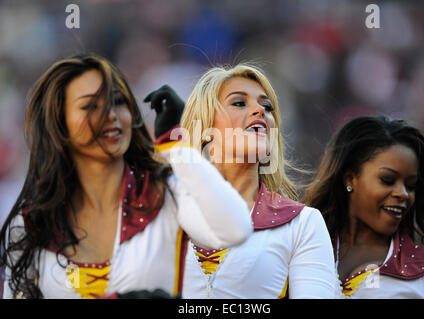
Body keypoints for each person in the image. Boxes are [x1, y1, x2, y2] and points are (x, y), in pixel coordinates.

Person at [0, 54, 253, 299]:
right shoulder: (32, 221)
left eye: (119, 102)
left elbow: (236, 229)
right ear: (59, 123)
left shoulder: (166, 194)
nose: (111, 114)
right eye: (91, 106)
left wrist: (179, 149)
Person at [146, 64, 337, 298]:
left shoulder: (302, 224)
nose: (260, 111)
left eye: (267, 107)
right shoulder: (157, 211)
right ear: (205, 129)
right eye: (239, 103)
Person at [302, 115, 424, 298]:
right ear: (350, 178)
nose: (403, 193)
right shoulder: (300, 246)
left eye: (411, 186)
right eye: (387, 180)